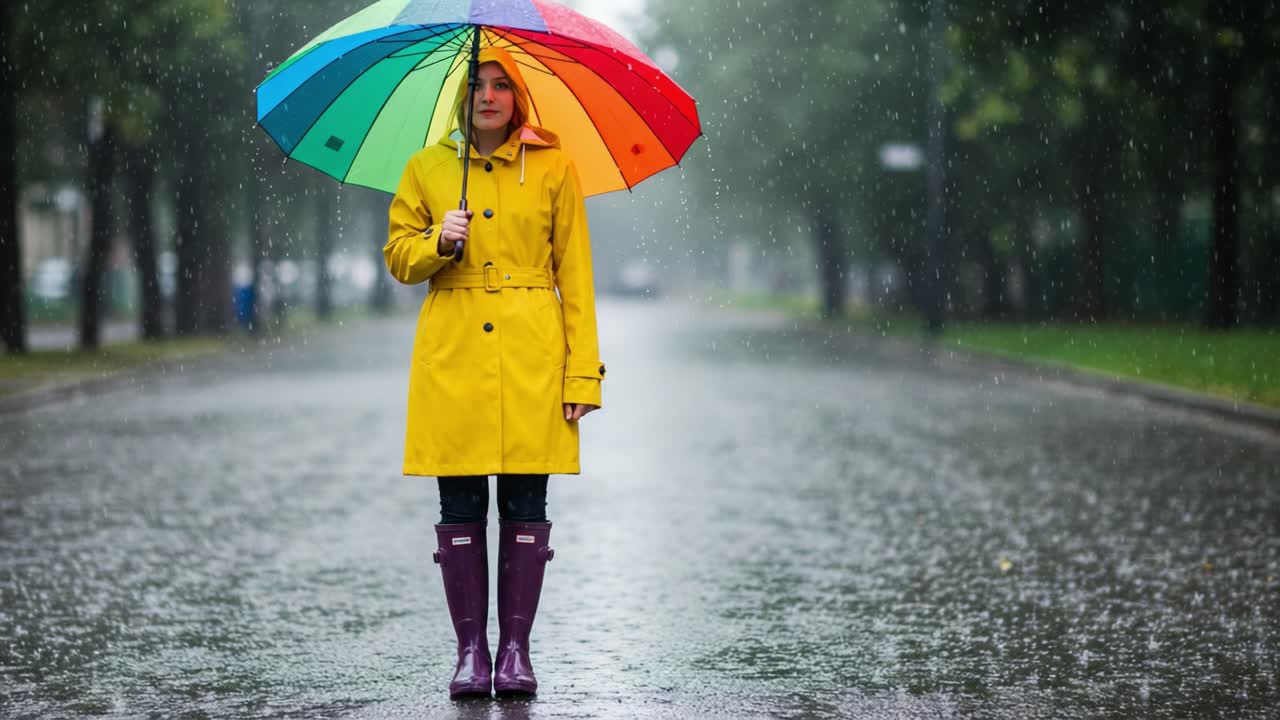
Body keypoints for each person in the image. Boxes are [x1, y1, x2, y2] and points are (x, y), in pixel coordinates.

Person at [383, 47, 605, 699]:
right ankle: (470, 654)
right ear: (462, 96)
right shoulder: (426, 169)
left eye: (502, 85)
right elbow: (398, 257)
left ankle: (514, 650)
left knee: (525, 502)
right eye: (478, 84)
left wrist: (581, 377)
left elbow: (578, 279)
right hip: (453, 353)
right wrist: (435, 242)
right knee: (458, 504)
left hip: (534, 355)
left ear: (518, 98)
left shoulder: (555, 169)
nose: (488, 95)